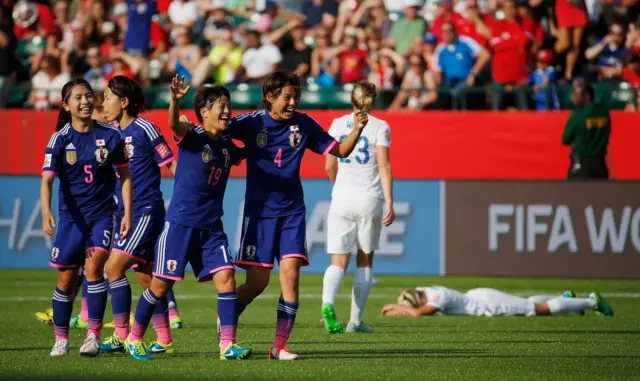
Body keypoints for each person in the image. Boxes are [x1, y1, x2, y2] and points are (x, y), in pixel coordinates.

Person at [229, 71, 369, 360]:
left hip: (292, 212)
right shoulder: (251, 122)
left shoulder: (304, 124)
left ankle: (279, 346)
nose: (293, 102)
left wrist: (356, 129)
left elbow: (340, 150)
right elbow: (216, 132)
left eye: (296, 97)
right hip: (259, 214)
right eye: (287, 97)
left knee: (290, 276)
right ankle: (228, 316)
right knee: (258, 283)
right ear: (269, 97)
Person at [125, 76, 250, 361]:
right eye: (221, 106)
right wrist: (173, 100)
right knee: (159, 286)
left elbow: (251, 151)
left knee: (227, 276)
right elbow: (173, 125)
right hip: (181, 224)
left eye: (229, 106)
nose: (227, 111)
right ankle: (134, 338)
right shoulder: (192, 137)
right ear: (205, 112)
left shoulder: (229, 146)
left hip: (211, 227)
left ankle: (227, 345)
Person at [41, 78, 132, 357]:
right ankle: (61, 338)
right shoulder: (60, 139)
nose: (84, 101)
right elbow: (47, 181)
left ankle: (93, 336)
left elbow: (125, 174)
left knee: (94, 271)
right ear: (66, 105)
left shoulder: (110, 136)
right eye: (78, 98)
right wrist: (46, 212)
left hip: (103, 215)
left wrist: (127, 211)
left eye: (88, 96)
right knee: (67, 279)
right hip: (71, 218)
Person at [98, 75, 177, 355]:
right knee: (147, 279)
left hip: (146, 210)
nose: (103, 102)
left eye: (107, 97)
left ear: (124, 101)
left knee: (112, 268)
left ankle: (121, 335)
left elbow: (172, 165)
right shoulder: (108, 132)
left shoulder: (145, 128)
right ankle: (165, 339)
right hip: (126, 212)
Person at [321, 82, 394, 334]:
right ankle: (355, 322)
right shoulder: (380, 127)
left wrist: (339, 185)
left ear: (351, 99)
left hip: (341, 197)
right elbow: (384, 166)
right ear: (372, 101)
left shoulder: (338, 124)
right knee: (365, 260)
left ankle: (327, 304)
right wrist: (390, 202)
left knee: (338, 260)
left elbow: (329, 166)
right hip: (369, 198)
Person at [382, 286, 613, 317]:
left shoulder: (437, 297)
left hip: (488, 305)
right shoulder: (429, 292)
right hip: (480, 297)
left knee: (541, 310)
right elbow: (418, 310)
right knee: (528, 302)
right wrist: (394, 310)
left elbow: (421, 313)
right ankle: (565, 299)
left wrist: (396, 308)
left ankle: (591, 302)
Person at [562, 80, 611, 179]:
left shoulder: (577, 115)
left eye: (577, 95)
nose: (573, 98)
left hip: (581, 165)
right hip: (601, 165)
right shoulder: (605, 113)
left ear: (587, 96)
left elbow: (565, 140)